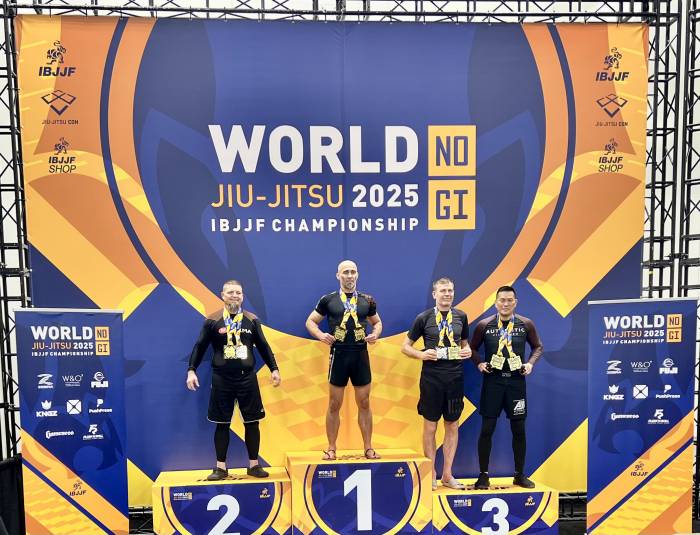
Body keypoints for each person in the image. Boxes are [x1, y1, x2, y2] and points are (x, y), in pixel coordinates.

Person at [187, 280, 281, 481]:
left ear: (242, 296)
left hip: (247, 379)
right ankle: (220, 468)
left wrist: (274, 368)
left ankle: (254, 466)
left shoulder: (251, 320)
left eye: (238, 292)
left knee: (252, 422)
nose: (234, 296)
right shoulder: (212, 320)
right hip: (221, 379)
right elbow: (199, 346)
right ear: (222, 295)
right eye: (230, 292)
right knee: (222, 424)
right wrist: (191, 370)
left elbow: (263, 346)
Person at [305, 260, 383, 460]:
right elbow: (310, 321)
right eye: (345, 272)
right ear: (338, 275)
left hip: (360, 356)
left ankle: (368, 447)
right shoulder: (328, 300)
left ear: (358, 275)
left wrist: (375, 334)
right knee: (334, 404)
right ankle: (331, 448)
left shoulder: (367, 300)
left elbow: (377, 323)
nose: (349, 275)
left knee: (364, 402)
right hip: (338, 356)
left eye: (353, 272)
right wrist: (321, 335)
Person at [469, 285, 543, 489]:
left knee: (519, 429)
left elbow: (538, 347)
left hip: (516, 384)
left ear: (515, 302)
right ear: (496, 303)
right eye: (502, 300)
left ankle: (519, 475)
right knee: (487, 429)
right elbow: (472, 348)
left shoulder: (526, 324)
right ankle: (483, 476)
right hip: (492, 382)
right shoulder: (484, 325)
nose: (505, 304)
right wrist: (479, 363)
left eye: (510, 300)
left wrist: (530, 364)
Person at [402, 277, 472, 491]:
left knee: (452, 425)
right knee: (430, 426)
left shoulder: (461, 316)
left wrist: (467, 351)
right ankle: (430, 473)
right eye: (443, 291)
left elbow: (465, 345)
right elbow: (405, 347)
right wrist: (422, 355)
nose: (447, 294)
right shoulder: (423, 318)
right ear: (434, 294)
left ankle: (447, 475)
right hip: (431, 379)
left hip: (455, 378)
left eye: (450, 290)